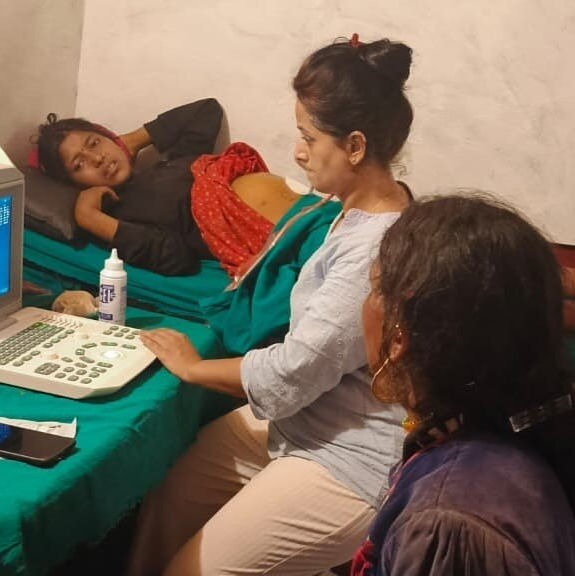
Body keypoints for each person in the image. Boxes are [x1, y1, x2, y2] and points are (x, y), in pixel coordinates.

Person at [125, 35, 414, 575]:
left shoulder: (373, 248)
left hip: (350, 458)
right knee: (170, 494)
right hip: (303, 421)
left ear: (354, 146)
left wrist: (192, 366)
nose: (298, 151)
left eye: (308, 137)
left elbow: (295, 370)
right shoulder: (345, 212)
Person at [353, 195, 575, 575]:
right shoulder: (509, 437)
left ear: (400, 333)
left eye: (373, 289)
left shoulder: (448, 523)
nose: (365, 305)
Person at [34, 98, 303, 275]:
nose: (96, 158)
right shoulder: (121, 214)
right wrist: (91, 218)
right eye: (79, 164)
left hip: (307, 212)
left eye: (94, 143)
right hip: (287, 239)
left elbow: (206, 111)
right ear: (74, 183)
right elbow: (177, 258)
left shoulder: (170, 163)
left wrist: (132, 140)